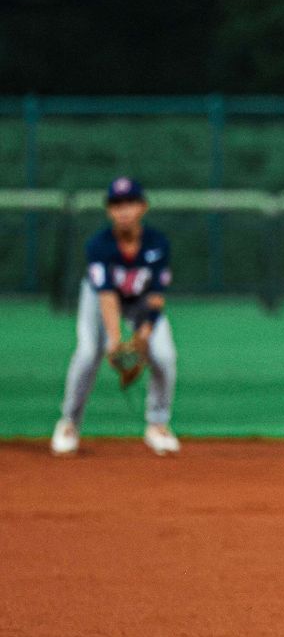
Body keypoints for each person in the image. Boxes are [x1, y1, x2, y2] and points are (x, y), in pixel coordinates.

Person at [50, 177, 180, 457]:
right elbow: (107, 296)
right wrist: (115, 340)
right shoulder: (99, 245)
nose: (123, 210)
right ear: (109, 210)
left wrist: (143, 336)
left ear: (143, 207)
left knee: (164, 355)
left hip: (140, 302)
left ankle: (158, 425)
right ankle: (69, 423)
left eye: (130, 203)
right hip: (98, 298)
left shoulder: (158, 244)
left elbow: (156, 297)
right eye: (117, 204)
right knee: (88, 353)